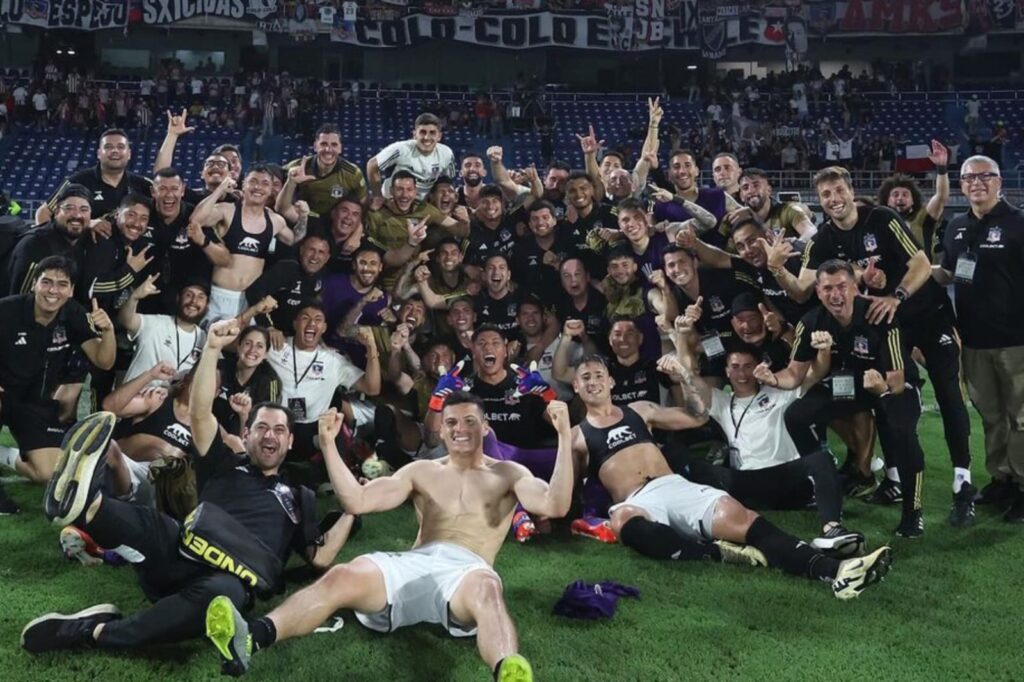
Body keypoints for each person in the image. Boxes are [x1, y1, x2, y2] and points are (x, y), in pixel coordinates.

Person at [20, 319, 356, 655]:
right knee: (155, 524)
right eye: (262, 427)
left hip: (224, 580)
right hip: (179, 551)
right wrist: (210, 349)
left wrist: (352, 510)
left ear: (291, 440)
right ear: (247, 434)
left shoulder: (300, 498)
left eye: (279, 430)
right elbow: (199, 414)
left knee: (224, 597)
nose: (270, 435)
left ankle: (91, 632)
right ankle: (84, 506)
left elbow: (322, 557)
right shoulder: (226, 461)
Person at [202, 391, 575, 680]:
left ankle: (507, 669)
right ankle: (252, 636)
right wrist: (330, 446)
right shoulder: (422, 471)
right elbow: (358, 500)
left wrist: (561, 436)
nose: (460, 429)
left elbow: (554, 505)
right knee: (343, 574)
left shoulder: (510, 473)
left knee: (488, 591)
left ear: (485, 426)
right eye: (451, 423)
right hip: (416, 561)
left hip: (467, 571)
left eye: (470, 422)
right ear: (440, 429)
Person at [567, 354, 891, 599]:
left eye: (599, 375)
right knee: (624, 520)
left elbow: (696, 417)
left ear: (611, 381)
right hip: (636, 501)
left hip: (672, 486)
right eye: (586, 377)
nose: (593, 381)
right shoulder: (575, 437)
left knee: (745, 519)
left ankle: (836, 571)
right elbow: (567, 494)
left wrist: (683, 376)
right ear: (576, 386)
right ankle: (715, 551)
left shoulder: (641, 411)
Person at [772, 166, 974, 523]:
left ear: (851, 191)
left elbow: (923, 263)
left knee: (946, 391)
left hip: (924, 315)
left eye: (838, 191)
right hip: (883, 324)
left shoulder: (882, 219)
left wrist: (896, 295)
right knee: (885, 397)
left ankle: (963, 481)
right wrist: (777, 268)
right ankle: (894, 478)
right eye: (825, 195)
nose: (834, 200)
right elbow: (802, 289)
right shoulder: (822, 241)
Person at [762, 259, 927, 537]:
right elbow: (795, 373)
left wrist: (881, 388)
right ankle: (823, 480)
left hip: (889, 385)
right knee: (797, 415)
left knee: (903, 432)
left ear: (854, 288)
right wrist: (774, 379)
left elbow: (897, 377)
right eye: (827, 288)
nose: (835, 295)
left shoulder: (879, 315)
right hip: (847, 386)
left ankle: (913, 511)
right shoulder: (810, 322)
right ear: (818, 292)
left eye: (841, 286)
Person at [671, 336, 863, 556]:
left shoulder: (779, 391)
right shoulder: (722, 401)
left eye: (747, 367)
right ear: (727, 372)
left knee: (822, 459)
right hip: (744, 484)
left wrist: (824, 350)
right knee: (680, 457)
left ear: (757, 368)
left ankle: (832, 529)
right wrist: (680, 337)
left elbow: (815, 372)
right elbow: (690, 376)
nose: (741, 374)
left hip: (785, 481)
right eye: (735, 367)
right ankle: (682, 519)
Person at [933, 155, 1024, 522]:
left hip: (1017, 340)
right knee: (991, 415)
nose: (977, 183)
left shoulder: (1019, 224)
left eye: (985, 176)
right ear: (962, 184)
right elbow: (950, 273)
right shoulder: (956, 225)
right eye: (969, 177)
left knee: (1021, 417)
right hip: (973, 341)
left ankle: (1023, 484)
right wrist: (913, 273)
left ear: (999, 181)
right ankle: (1001, 477)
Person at [0, 255, 115, 485]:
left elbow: (104, 362)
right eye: (46, 282)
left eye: (62, 284)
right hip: (4, 394)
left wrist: (108, 330)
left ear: (71, 290)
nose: (53, 291)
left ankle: (3, 455)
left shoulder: (72, 313)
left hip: (35, 403)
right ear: (34, 284)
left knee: (49, 474)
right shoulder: (7, 310)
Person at [265, 302, 381, 458]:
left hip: (312, 430)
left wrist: (371, 348)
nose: (312, 323)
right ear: (295, 323)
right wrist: (265, 329)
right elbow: (240, 348)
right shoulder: (276, 346)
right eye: (305, 318)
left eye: (318, 319)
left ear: (324, 328)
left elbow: (372, 388)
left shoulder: (334, 361)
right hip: (275, 424)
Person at [191, 167, 294, 323]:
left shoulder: (275, 220)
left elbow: (294, 239)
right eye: (253, 181)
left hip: (250, 300)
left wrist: (305, 217)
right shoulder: (227, 210)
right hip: (220, 296)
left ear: (271, 189)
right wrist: (220, 190)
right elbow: (196, 220)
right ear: (243, 185)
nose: (258, 187)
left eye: (264, 183)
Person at [38, 128, 151, 227]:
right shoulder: (77, 181)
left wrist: (170, 135)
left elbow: (163, 182)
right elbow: (43, 212)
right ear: (99, 153)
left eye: (120, 147)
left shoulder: (141, 185)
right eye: (108, 147)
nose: (115, 151)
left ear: (129, 154)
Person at [119, 275, 210, 384]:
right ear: (178, 298)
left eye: (201, 297)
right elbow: (126, 321)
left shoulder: (206, 340)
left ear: (207, 305)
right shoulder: (156, 323)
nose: (194, 301)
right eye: (188, 294)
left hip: (171, 399)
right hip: (134, 397)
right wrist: (134, 297)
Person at [8, 184, 92, 296]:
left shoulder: (85, 243)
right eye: (69, 208)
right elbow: (21, 299)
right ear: (56, 212)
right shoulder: (34, 244)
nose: (77, 215)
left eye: (84, 210)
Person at [277, 123, 368, 222]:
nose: (328, 150)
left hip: (336, 224)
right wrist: (291, 182)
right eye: (323, 144)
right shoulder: (296, 168)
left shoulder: (353, 174)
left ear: (340, 148)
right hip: (303, 220)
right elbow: (280, 205)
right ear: (315, 146)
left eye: (334, 145)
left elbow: (362, 205)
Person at [877, 140, 949, 261]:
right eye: (895, 194)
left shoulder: (923, 218)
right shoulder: (877, 222)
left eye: (905, 194)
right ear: (887, 200)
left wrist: (941, 168)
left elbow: (941, 197)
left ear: (913, 201)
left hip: (923, 277)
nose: (900, 197)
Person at [367, 112, 456, 202]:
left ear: (439, 136)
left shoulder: (447, 154)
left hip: (422, 204)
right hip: (392, 200)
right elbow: (372, 165)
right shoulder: (401, 149)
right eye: (422, 132)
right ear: (414, 134)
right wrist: (377, 196)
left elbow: (448, 181)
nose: (427, 137)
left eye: (432, 133)